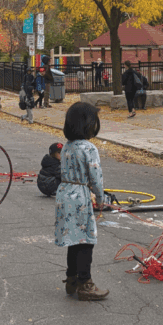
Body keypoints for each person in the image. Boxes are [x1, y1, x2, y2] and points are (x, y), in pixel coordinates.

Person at [55, 102, 108, 301]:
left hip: (65, 192)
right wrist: (100, 197)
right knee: (86, 240)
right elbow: (96, 175)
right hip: (80, 196)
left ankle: (72, 278)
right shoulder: (89, 147)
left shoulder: (67, 145)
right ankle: (85, 282)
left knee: (73, 238)